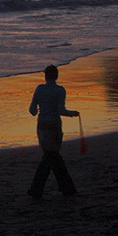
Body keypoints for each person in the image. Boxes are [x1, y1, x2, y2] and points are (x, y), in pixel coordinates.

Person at [28, 64, 79, 198]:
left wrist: (40, 108)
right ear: (56, 76)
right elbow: (61, 110)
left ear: (45, 76)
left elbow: (32, 111)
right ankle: (63, 188)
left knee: (50, 157)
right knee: (52, 156)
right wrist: (72, 113)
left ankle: (62, 188)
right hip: (54, 126)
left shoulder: (39, 89)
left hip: (42, 126)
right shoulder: (60, 90)